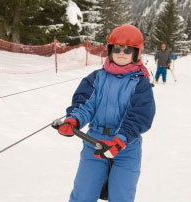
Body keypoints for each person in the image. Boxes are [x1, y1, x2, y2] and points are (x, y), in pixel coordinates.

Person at [57, 24, 156, 202]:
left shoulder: (140, 83)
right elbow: (85, 104)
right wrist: (73, 120)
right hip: (94, 143)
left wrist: (121, 139)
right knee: (83, 195)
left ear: (136, 53)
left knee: (121, 197)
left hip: (125, 148)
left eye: (127, 50)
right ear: (110, 50)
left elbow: (140, 115)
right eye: (116, 48)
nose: (121, 53)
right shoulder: (96, 78)